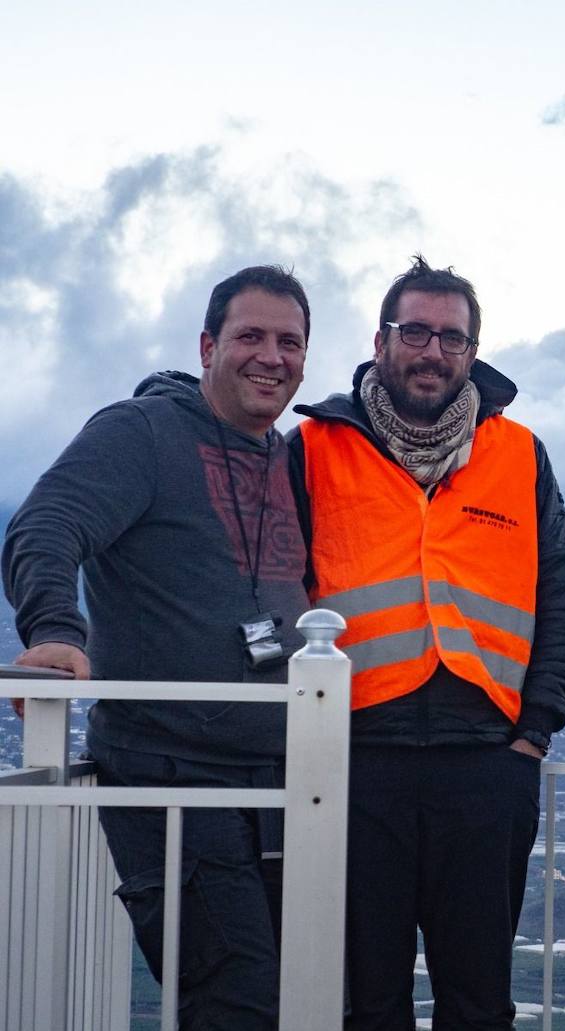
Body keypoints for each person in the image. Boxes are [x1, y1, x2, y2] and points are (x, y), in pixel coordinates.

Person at [3, 265, 313, 1030]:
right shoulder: (139, 433)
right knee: (236, 1002)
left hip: (286, 780)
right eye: (250, 336)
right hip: (173, 771)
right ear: (208, 345)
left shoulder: (293, 457)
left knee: (307, 997)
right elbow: (46, 526)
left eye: (289, 341)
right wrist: (53, 631)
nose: (270, 356)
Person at [287, 255, 565, 1030]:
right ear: (381, 340)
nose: (432, 351)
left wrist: (535, 729)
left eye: (451, 338)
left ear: (473, 352)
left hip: (488, 765)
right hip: (355, 761)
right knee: (368, 1003)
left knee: (479, 1003)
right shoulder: (314, 447)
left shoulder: (520, 453)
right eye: (415, 331)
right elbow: (270, 586)